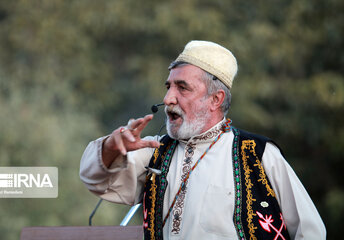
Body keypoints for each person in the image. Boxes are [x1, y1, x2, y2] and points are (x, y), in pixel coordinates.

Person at [80, 40, 326, 240]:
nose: (168, 99)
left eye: (182, 88)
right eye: (168, 87)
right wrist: (112, 146)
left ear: (215, 99)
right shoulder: (156, 152)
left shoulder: (257, 153)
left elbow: (311, 232)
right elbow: (95, 181)